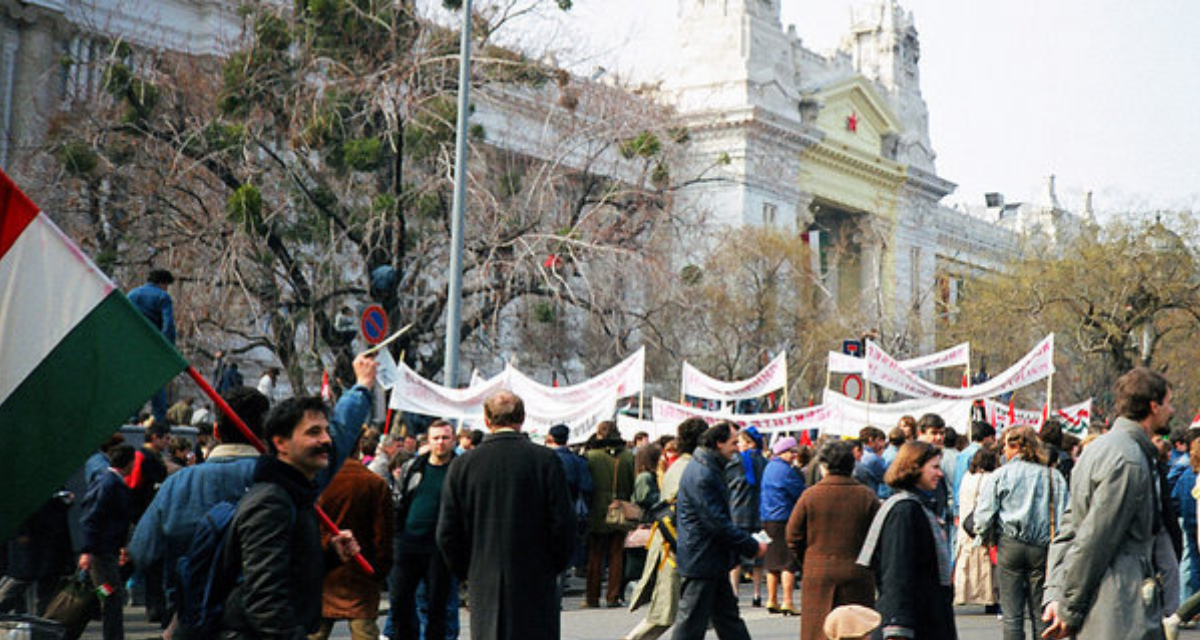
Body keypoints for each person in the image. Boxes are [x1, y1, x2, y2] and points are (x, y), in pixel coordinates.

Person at [219, 355, 378, 640]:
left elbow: (287, 571)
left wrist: (329, 557)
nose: (326, 440)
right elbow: (264, 601)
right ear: (280, 443)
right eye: (313, 433)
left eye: (326, 431)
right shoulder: (271, 503)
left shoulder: (295, 495)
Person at [1043, 367, 1174, 640]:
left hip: (1105, 601)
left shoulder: (1099, 449)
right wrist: (1069, 607)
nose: (1171, 410)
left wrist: (1056, 594)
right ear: (1153, 406)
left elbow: (1071, 530)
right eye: (1168, 403)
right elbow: (1095, 540)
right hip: (1120, 606)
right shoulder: (1129, 460)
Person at [129, 386, 271, 636]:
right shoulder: (279, 481)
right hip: (263, 618)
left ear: (216, 430)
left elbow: (142, 552)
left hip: (192, 618)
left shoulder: (177, 484)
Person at [436, 391, 575, 640]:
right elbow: (563, 525)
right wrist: (551, 566)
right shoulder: (545, 460)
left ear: (486, 420)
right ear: (522, 418)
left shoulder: (463, 465)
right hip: (535, 577)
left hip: (483, 577)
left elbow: (447, 532)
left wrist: (469, 571)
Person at [670, 422, 767, 640]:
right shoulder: (703, 473)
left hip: (710, 558)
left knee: (729, 621)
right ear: (719, 443)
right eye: (733, 443)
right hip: (702, 559)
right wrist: (751, 546)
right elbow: (716, 522)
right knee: (691, 625)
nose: (737, 448)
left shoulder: (708, 466)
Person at [972, 426, 1068, 640]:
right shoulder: (1053, 476)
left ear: (1016, 446)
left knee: (1012, 615)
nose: (1003, 451)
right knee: (1041, 613)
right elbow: (1065, 516)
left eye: (1006, 446)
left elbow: (984, 514)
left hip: (1010, 544)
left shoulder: (1001, 474)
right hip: (1043, 547)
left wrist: (983, 538)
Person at [857, 441, 956, 640]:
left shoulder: (918, 507)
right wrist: (897, 627)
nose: (940, 474)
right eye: (934, 467)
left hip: (926, 618)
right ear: (914, 468)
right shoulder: (904, 511)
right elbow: (897, 572)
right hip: (915, 623)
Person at [788, 439, 879, 640]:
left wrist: (808, 560)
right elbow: (878, 538)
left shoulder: (810, 496)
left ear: (823, 466)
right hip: (858, 573)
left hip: (818, 573)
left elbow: (793, 536)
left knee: (818, 631)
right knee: (856, 631)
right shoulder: (867, 496)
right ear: (852, 465)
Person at [625, 418, 707, 640]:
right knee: (663, 613)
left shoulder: (679, 466)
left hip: (672, 544)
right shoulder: (692, 468)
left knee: (695, 613)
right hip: (675, 547)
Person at [312, 434, 394, 640]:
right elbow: (383, 537)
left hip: (322, 574)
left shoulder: (316, 481)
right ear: (358, 446)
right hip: (361, 574)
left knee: (314, 632)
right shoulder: (375, 483)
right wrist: (380, 571)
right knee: (364, 633)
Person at [392, 419, 457, 640]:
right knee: (400, 601)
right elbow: (399, 499)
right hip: (408, 542)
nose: (441, 442)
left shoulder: (458, 470)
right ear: (428, 440)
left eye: (445, 437)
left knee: (437, 606)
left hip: (440, 546)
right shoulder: (414, 467)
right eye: (436, 438)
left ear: (453, 440)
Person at [79, 443, 136, 640]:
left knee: (107, 592)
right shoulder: (108, 484)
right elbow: (92, 518)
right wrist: (87, 550)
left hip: (105, 550)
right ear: (129, 463)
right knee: (111, 594)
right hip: (101, 552)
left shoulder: (110, 482)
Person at [584, 420, 636, 608]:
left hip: (597, 509)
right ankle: (613, 596)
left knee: (595, 555)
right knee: (617, 554)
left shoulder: (591, 456)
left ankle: (592, 597)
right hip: (621, 508)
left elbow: (587, 484)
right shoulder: (628, 456)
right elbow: (633, 483)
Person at [759, 436, 805, 615]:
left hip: (767, 518)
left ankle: (772, 599)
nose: (794, 455)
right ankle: (788, 601)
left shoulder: (769, 467)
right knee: (788, 563)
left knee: (772, 563)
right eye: (791, 452)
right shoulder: (785, 471)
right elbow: (799, 492)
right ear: (782, 452)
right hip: (784, 518)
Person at [951, 444, 999, 611]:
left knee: (966, 560)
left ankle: (963, 593)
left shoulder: (967, 477)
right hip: (980, 525)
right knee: (986, 564)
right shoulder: (990, 479)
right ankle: (989, 597)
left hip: (965, 525)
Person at [128, 269, 176, 424]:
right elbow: (168, 325)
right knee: (156, 382)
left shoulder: (132, 295)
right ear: (162, 283)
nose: (167, 289)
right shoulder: (163, 297)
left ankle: (132, 417)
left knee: (135, 381)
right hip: (153, 346)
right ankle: (159, 418)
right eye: (167, 285)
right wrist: (168, 347)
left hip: (133, 345)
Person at [726, 426, 767, 607]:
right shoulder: (764, 462)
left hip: (737, 512)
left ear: (749, 443)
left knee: (735, 557)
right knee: (758, 557)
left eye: (740, 441)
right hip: (758, 514)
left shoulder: (737, 460)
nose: (737, 445)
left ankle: (734, 593)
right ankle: (757, 594)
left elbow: (728, 483)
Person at [854, 426, 888, 498]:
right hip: (870, 494)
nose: (879, 444)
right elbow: (885, 477)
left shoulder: (859, 453)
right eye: (877, 440)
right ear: (871, 439)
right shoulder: (874, 458)